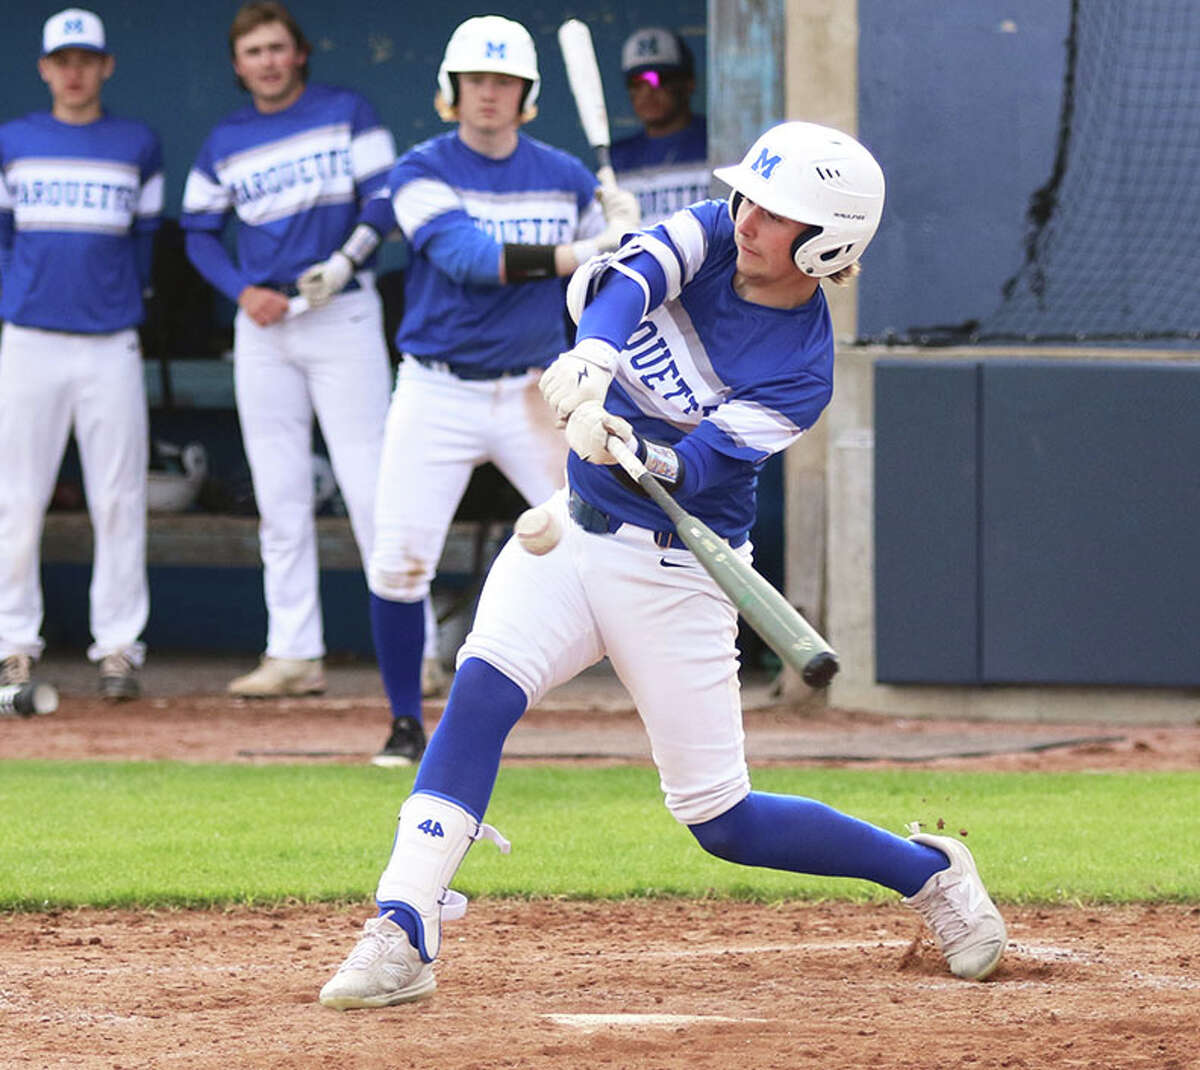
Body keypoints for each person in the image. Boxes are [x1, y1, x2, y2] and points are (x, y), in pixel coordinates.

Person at [316, 121, 1008, 1010]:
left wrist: (635, 448)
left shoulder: (802, 369)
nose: (750, 218)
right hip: (571, 538)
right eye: (751, 197)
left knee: (723, 820)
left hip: (679, 574)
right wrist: (596, 358)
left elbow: (708, 464)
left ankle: (928, 873)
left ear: (827, 241)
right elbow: (628, 280)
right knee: (481, 696)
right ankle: (404, 927)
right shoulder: (712, 230)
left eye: (778, 213)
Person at [298, 14, 639, 766]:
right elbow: (469, 260)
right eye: (477, 81)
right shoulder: (419, 168)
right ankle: (402, 721)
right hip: (437, 389)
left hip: (535, 389)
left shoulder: (568, 175)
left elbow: (603, 284)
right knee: (398, 561)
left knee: (611, 536)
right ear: (452, 91)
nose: (490, 95)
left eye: (505, 82)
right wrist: (592, 244)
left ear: (527, 94)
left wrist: (628, 241)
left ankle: (649, 707)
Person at [180, 2, 442, 698]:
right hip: (264, 321)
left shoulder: (346, 110)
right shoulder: (224, 139)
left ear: (299, 53)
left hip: (340, 310)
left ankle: (418, 652)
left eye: (276, 48)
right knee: (279, 493)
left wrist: (344, 262)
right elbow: (198, 231)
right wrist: (241, 292)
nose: (266, 61)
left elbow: (384, 199)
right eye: (253, 52)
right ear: (238, 67)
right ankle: (294, 652)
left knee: (372, 488)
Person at [0, 8, 162, 700]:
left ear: (105, 66)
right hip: (30, 337)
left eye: (85, 59)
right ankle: (13, 646)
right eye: (61, 60)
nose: (73, 71)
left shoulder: (137, 143)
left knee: (120, 499)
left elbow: (146, 243)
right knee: (16, 498)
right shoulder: (12, 141)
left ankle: (119, 649)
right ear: (44, 68)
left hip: (109, 342)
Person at [610, 26, 709, 227]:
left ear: (688, 83)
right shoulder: (615, 158)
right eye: (637, 83)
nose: (647, 93)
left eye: (658, 80)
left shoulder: (718, 143)